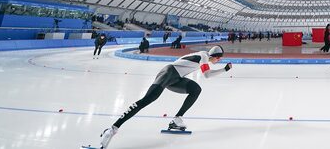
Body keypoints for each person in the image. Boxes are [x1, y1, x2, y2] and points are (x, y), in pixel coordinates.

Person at [97, 46, 232, 148]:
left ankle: (177, 119)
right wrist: (224, 69)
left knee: (195, 89)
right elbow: (207, 75)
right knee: (146, 100)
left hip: (176, 78)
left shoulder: (202, 56)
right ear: (215, 56)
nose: (219, 60)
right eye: (219, 58)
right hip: (168, 73)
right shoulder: (203, 55)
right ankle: (112, 129)